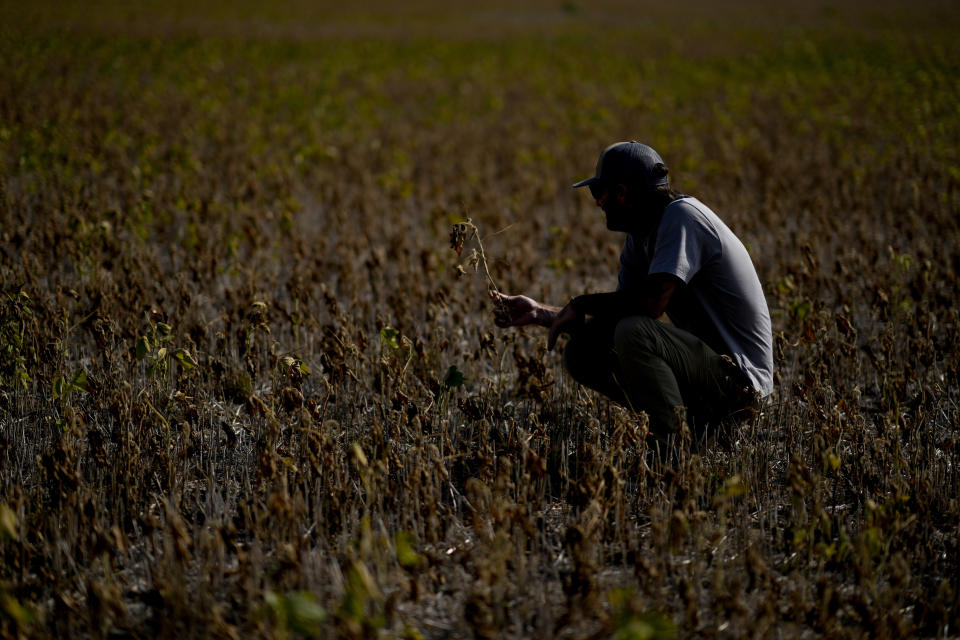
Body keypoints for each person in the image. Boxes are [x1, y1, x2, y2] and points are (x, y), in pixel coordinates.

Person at [493, 141, 773, 452]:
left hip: (741, 384)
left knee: (634, 333)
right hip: (706, 372)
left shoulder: (683, 217)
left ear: (622, 193)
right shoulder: (638, 241)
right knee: (582, 352)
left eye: (598, 191)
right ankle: (696, 426)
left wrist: (581, 303)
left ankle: (674, 451)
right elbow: (615, 318)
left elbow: (651, 306)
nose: (598, 202)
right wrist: (541, 314)